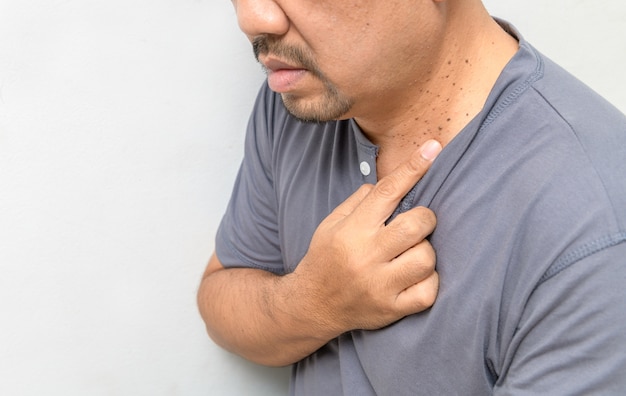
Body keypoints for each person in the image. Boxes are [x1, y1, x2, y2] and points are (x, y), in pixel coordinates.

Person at [198, 0, 626, 393]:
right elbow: (220, 297)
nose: (253, 18)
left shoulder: (594, 231)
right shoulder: (300, 93)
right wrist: (314, 302)